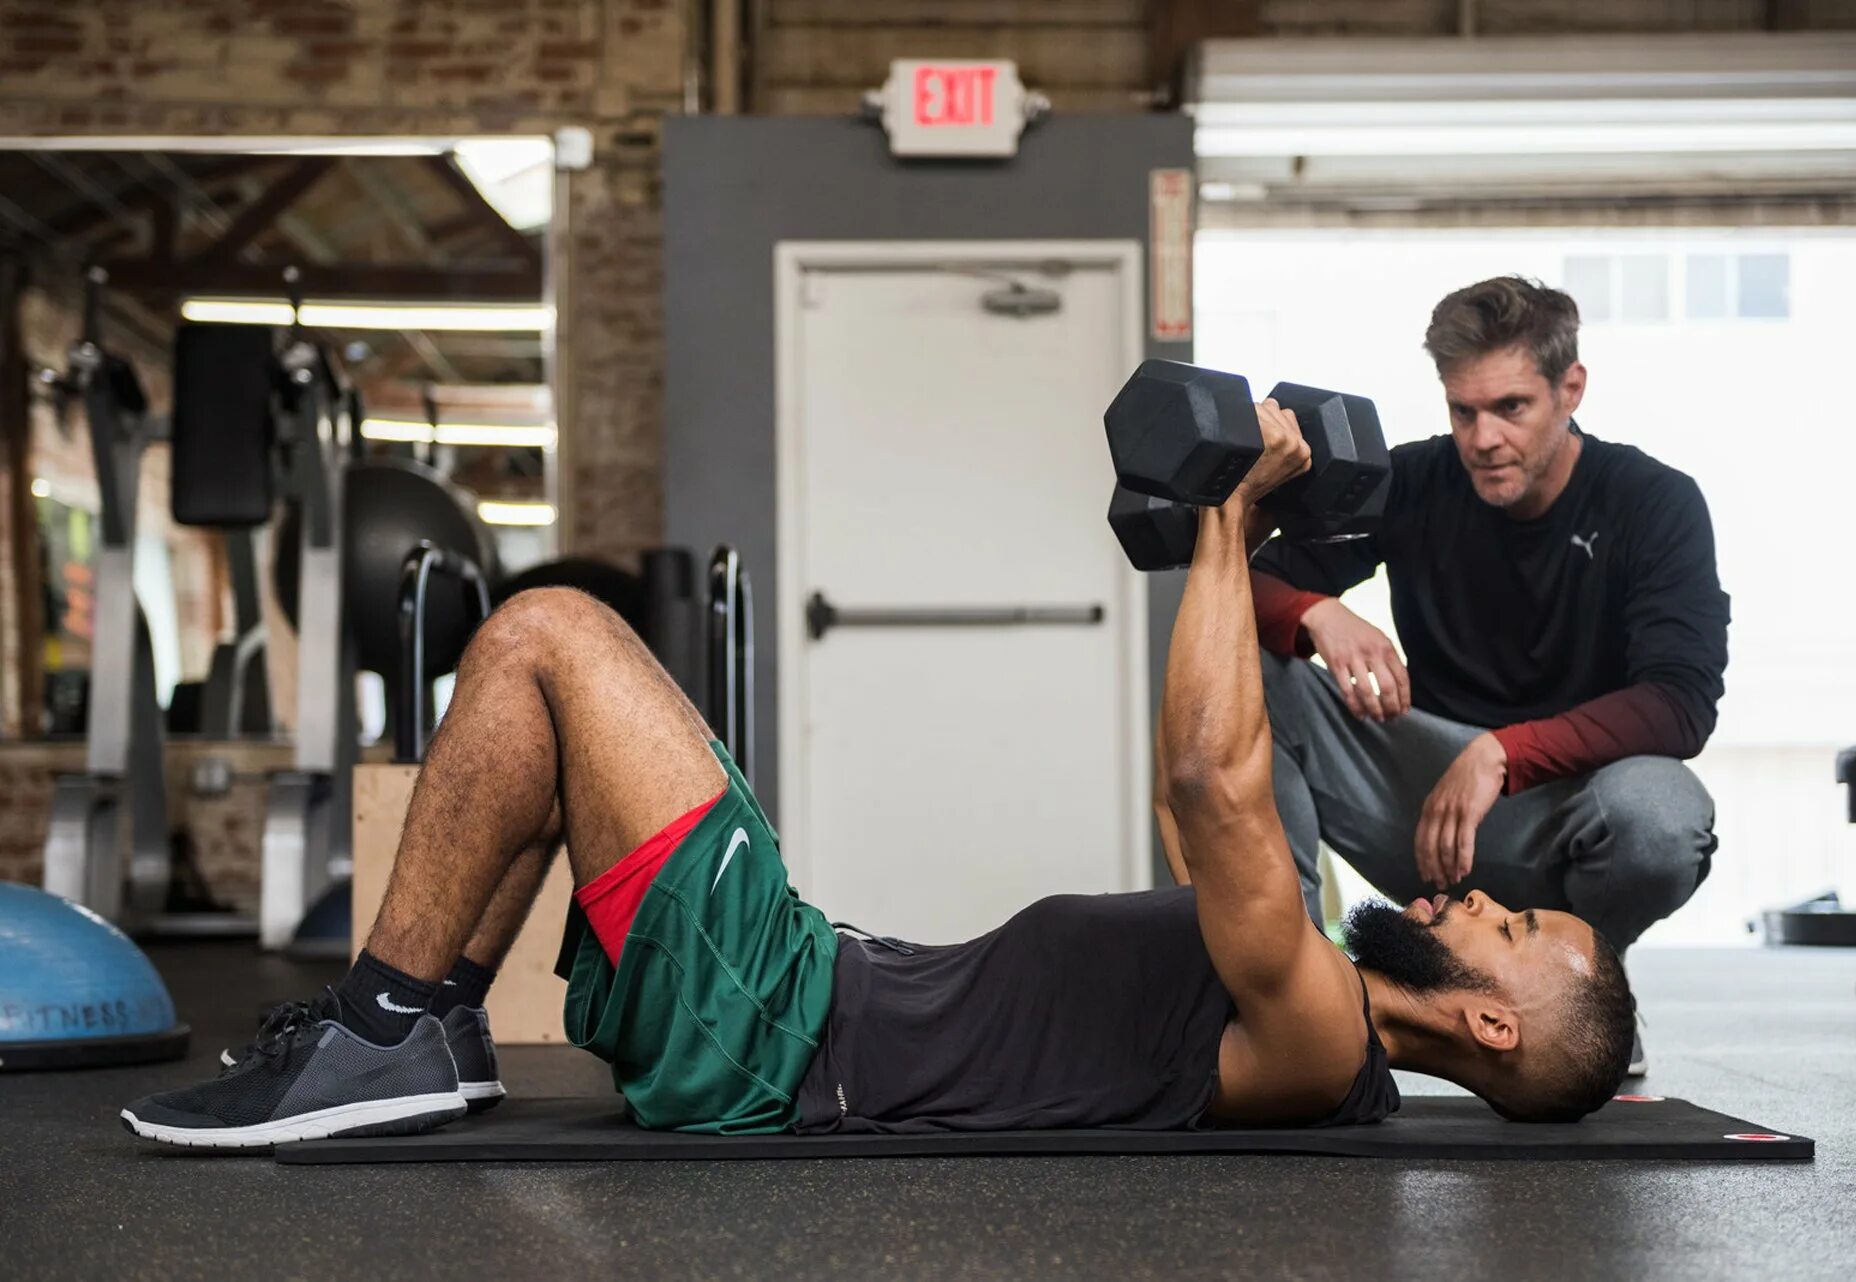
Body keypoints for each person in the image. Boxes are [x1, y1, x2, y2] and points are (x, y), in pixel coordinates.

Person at [119, 404, 1635, 1149]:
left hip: (781, 1033)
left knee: (544, 633)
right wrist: (1254, 543)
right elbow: (1222, 770)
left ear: (1490, 1019)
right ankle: (431, 1023)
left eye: (1512, 927)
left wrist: (1233, 511)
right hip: (799, 985)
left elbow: (1211, 779)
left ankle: (386, 1024)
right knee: (549, 685)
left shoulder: (1317, 1031)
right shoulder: (1309, 1005)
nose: (1484, 896)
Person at [1247, 275, 1730, 1076]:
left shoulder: (1654, 502)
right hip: (1428, 808)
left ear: (1569, 388)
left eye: (1511, 408)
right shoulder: (1416, 481)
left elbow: (1680, 704)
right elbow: (1246, 582)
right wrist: (1313, 613)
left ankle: (1583, 995)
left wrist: (1503, 752)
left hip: (1570, 806)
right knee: (1258, 660)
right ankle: (1301, 987)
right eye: (1462, 411)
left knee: (1662, 816)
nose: (1483, 439)